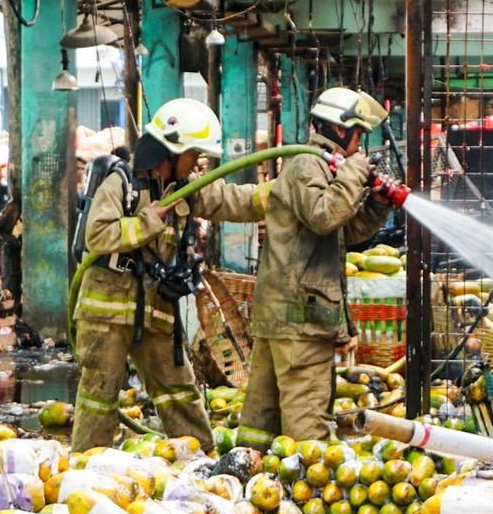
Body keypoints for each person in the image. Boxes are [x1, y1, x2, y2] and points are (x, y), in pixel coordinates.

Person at [71, 98, 268, 454]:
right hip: (107, 309)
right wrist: (150, 220)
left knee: (179, 389)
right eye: (194, 155)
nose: (199, 164)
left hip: (155, 306)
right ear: (172, 152)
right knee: (99, 397)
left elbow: (231, 200)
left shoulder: (183, 186)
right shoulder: (121, 182)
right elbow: (97, 236)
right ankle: (86, 469)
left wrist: (277, 196)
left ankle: (203, 461)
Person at [237, 86, 396, 449]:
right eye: (360, 136)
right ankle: (300, 500)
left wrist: (376, 206)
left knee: (262, 421)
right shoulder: (308, 164)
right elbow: (325, 216)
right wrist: (354, 174)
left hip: (288, 314)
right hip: (301, 321)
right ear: (341, 129)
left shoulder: (321, 167)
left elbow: (343, 230)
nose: (361, 147)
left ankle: (248, 477)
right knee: (308, 427)